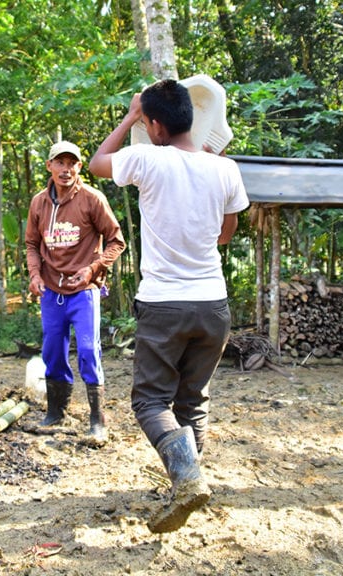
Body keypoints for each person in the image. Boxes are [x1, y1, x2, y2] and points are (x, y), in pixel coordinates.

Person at [88, 79, 249, 533]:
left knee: (151, 402)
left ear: (154, 124)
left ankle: (187, 477)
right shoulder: (225, 169)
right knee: (192, 401)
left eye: (146, 120)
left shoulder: (147, 158)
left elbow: (98, 163)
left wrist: (129, 115)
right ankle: (189, 481)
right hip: (213, 306)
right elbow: (225, 233)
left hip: (165, 305)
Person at [25, 140, 126, 445]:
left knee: (87, 350)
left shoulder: (92, 199)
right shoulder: (39, 203)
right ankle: (57, 412)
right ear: (49, 166)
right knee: (52, 351)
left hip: (83, 290)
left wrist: (94, 269)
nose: (66, 169)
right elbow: (31, 244)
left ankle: (97, 420)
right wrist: (34, 274)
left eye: (72, 164)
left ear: (79, 167)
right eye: (60, 163)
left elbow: (116, 240)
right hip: (51, 291)